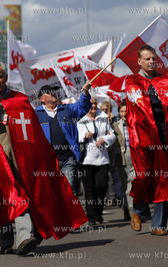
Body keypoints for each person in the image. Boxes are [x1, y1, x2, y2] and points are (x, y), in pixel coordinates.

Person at [0, 61, 88, 256]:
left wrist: (43, 155)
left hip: (25, 159)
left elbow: (36, 132)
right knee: (5, 198)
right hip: (0, 160)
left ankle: (25, 238)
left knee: (24, 196)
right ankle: (6, 241)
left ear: (6, 78)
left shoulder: (20, 100)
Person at [124, 45, 168, 236]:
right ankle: (139, 211)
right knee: (143, 176)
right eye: (147, 59)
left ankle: (159, 225)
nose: (151, 62)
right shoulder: (132, 80)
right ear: (139, 61)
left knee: (164, 178)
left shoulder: (165, 80)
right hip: (144, 136)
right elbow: (139, 102)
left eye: (153, 59)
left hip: (166, 134)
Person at [35, 84, 92, 195]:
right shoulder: (36, 114)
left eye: (53, 91)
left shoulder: (67, 109)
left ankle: (72, 212)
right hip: (47, 161)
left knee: (69, 191)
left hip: (67, 159)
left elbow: (83, 106)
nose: (53, 93)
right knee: (51, 193)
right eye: (49, 91)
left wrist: (85, 92)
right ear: (41, 99)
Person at [77, 96, 116, 225]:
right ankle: (92, 217)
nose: (93, 106)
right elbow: (74, 136)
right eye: (91, 103)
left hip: (102, 159)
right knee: (89, 190)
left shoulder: (103, 117)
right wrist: (84, 136)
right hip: (86, 160)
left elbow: (112, 135)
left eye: (95, 104)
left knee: (101, 187)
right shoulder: (79, 118)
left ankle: (98, 213)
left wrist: (104, 139)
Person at [112, 99, 134, 221]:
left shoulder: (135, 123)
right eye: (121, 111)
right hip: (120, 156)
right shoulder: (115, 125)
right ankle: (126, 208)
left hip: (135, 155)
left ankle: (136, 210)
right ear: (119, 112)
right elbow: (111, 142)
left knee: (136, 182)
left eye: (126, 111)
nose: (124, 113)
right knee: (124, 185)